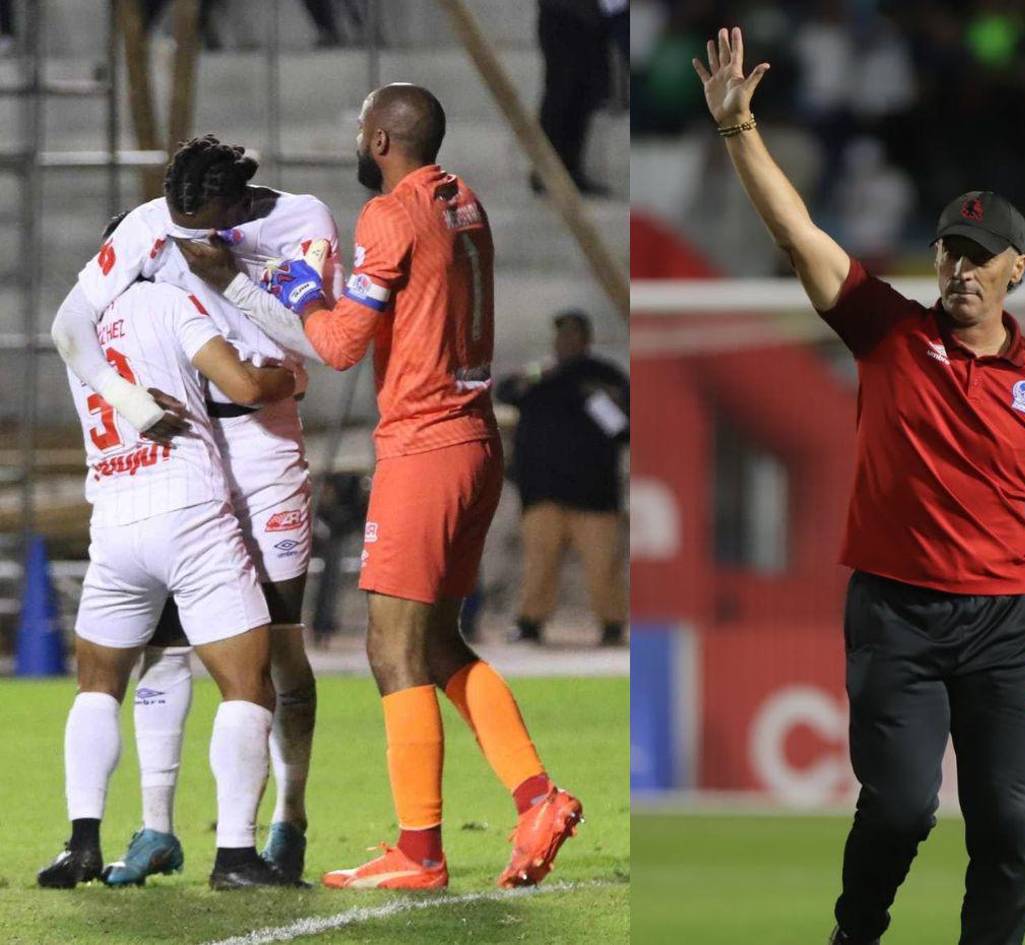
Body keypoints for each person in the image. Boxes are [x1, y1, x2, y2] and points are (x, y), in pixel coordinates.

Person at [693, 28, 1025, 945]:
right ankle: (856, 933)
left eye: (981, 255)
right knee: (899, 808)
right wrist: (739, 130)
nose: (962, 269)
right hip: (895, 614)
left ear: (1017, 268)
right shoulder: (888, 332)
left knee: (1010, 826)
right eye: (949, 251)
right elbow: (798, 234)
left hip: (1002, 625)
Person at [179, 82, 583, 892]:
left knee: (389, 646)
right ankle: (537, 798)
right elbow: (401, 301)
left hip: (424, 446)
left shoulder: (388, 214)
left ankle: (420, 850)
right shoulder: (462, 199)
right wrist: (297, 285)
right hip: (475, 440)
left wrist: (253, 287)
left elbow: (337, 346)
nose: (358, 143)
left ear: (381, 141)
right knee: (436, 643)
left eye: (363, 130)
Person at [49, 135, 343, 886]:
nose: (178, 241)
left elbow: (320, 343)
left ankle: (288, 820)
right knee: (166, 646)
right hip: (184, 444)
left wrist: (234, 283)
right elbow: (71, 323)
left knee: (277, 647)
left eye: (198, 228)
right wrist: (129, 400)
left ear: (235, 208)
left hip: (262, 442)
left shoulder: (304, 221)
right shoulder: (150, 224)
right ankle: (158, 826)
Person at [38, 274, 298, 890]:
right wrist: (285, 377)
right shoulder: (165, 299)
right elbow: (242, 385)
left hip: (115, 516)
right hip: (187, 510)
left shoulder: (80, 328)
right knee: (247, 685)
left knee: (97, 687)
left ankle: (82, 844)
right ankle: (235, 856)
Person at [496, 309, 629, 646]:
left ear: (585, 339)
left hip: (594, 494)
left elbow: (623, 427)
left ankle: (612, 624)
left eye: (573, 335)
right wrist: (539, 372)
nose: (566, 341)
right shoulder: (541, 375)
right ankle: (530, 622)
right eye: (561, 335)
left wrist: (598, 396)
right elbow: (506, 391)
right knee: (539, 563)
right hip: (542, 491)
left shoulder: (603, 376)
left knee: (603, 565)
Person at [533, 0, 613, 195]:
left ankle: (570, 169)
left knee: (581, 96)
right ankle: (545, 170)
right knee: (561, 94)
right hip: (563, 15)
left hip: (589, 18)